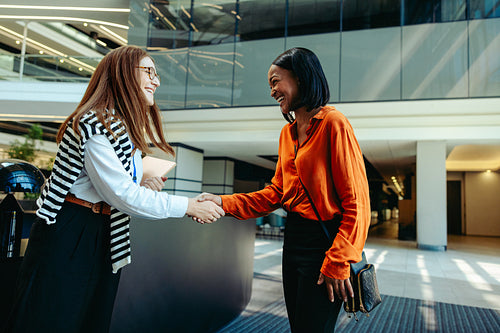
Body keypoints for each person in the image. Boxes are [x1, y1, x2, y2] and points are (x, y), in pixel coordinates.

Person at [3, 45, 224, 333]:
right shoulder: (95, 121)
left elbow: (116, 188)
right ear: (122, 73)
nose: (156, 80)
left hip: (102, 228)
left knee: (90, 318)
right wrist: (189, 206)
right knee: (53, 317)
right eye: (149, 71)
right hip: (71, 228)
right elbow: (120, 194)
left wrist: (142, 182)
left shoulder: (120, 126)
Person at [197, 47, 370, 332]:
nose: (272, 91)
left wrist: (339, 259)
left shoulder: (333, 124)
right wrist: (221, 201)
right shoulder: (287, 134)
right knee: (299, 325)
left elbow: (358, 202)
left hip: (326, 244)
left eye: (276, 81)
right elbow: (277, 193)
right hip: (294, 240)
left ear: (301, 78)